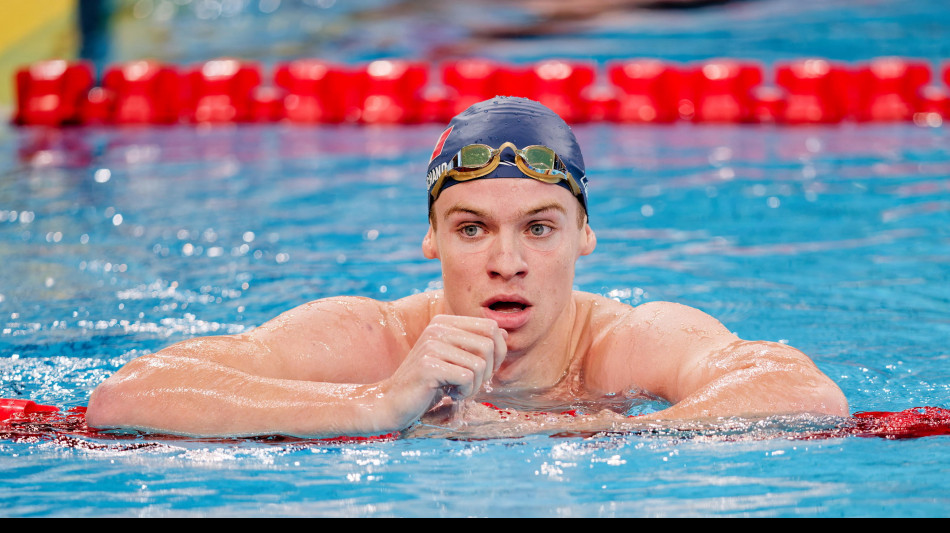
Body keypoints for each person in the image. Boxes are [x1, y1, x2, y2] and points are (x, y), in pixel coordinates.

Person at [86, 96, 848, 437]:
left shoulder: (626, 345)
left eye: (539, 228)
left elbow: (805, 393)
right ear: (431, 239)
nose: (506, 262)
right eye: (473, 227)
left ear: (585, 236)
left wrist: (579, 432)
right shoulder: (373, 339)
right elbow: (129, 394)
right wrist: (377, 404)